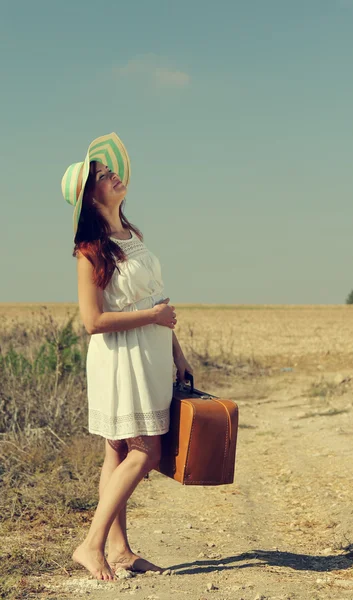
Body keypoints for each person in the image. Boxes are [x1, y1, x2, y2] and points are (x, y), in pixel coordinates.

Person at [61, 132, 193, 581]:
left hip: (151, 354)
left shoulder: (133, 235)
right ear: (89, 195)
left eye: (110, 170)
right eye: (102, 175)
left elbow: (159, 300)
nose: (113, 175)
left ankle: (119, 549)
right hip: (120, 359)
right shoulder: (90, 251)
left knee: (118, 450)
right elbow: (93, 321)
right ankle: (91, 543)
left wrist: (178, 352)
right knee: (145, 451)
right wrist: (154, 316)